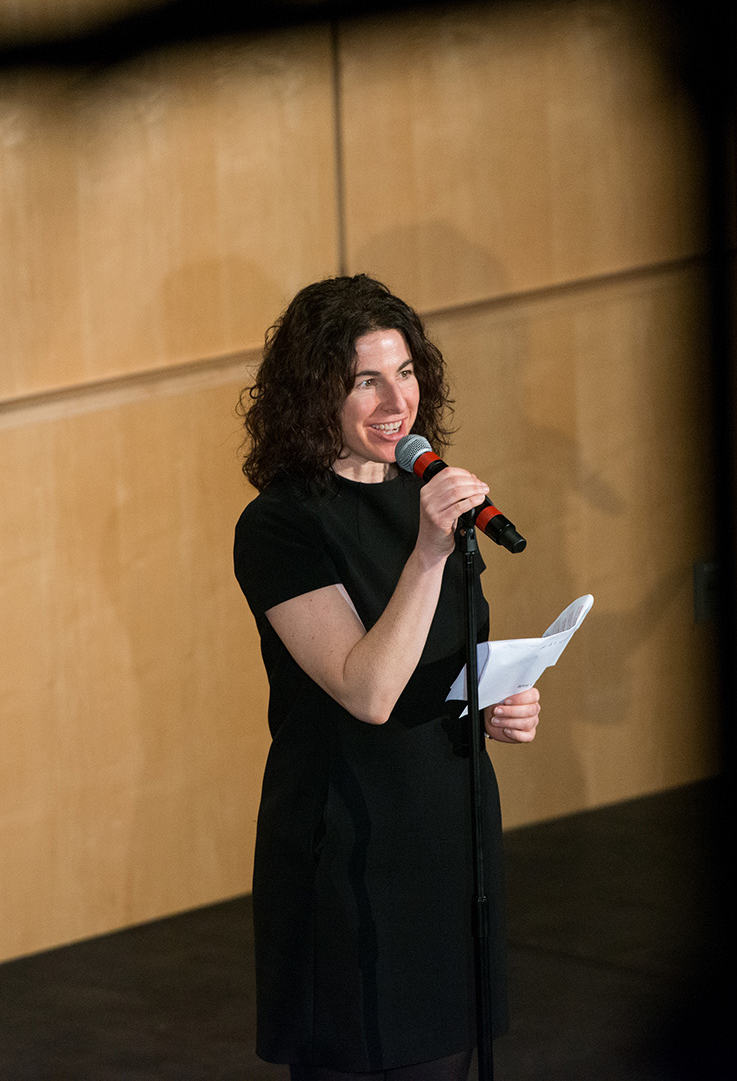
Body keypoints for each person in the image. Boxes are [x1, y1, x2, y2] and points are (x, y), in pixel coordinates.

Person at [233, 275, 542, 1081]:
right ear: (314, 395)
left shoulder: (426, 501)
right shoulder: (281, 525)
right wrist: (430, 552)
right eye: (364, 378)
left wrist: (496, 704)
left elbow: (438, 667)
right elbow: (365, 690)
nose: (392, 400)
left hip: (447, 828)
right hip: (349, 845)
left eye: (403, 372)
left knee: (452, 1057)